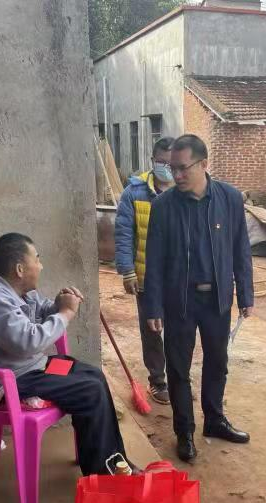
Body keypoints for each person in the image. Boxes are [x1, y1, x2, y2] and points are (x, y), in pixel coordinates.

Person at [0, 233, 132, 476]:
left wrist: (59, 304)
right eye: (37, 259)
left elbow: (43, 310)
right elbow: (28, 341)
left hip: (31, 368)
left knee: (93, 375)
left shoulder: (19, 292)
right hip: (7, 381)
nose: (41, 266)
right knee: (89, 390)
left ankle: (114, 460)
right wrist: (66, 313)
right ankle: (103, 473)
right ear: (20, 269)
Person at [144, 134, 254, 463]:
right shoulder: (163, 206)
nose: (175, 175)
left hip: (217, 299)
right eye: (171, 168)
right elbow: (154, 259)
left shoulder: (229, 198)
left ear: (204, 164)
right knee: (178, 369)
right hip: (179, 302)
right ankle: (185, 432)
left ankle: (214, 420)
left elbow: (240, 248)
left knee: (217, 362)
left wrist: (246, 293)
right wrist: (153, 306)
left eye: (182, 168)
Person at [114, 136, 176, 405]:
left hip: (178, 279)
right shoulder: (135, 193)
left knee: (179, 330)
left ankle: (178, 378)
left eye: (171, 164)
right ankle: (157, 380)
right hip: (146, 277)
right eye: (162, 162)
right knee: (151, 329)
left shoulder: (184, 192)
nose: (167, 169)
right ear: (152, 161)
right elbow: (124, 234)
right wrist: (127, 271)